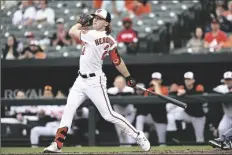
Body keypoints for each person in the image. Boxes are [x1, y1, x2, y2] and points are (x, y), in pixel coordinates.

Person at [44, 9, 150, 153]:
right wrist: (128, 77)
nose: (95, 20)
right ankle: (58, 144)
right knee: (69, 109)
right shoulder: (110, 39)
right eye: (95, 17)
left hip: (95, 81)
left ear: (106, 23)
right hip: (80, 80)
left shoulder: (93, 34)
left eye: (99, 18)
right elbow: (117, 61)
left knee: (108, 115)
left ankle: (138, 135)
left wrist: (79, 23)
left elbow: (71, 31)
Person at [136, 72, 168, 145]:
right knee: (140, 118)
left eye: (157, 79)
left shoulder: (164, 88)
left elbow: (160, 97)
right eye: (154, 79)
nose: (155, 81)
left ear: (160, 80)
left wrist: (156, 85)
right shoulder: (148, 90)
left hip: (160, 118)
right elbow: (145, 103)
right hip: (150, 116)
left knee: (162, 142)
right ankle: (140, 138)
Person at [174, 72, 206, 142]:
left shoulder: (199, 86)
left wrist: (185, 93)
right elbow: (176, 92)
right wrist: (178, 92)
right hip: (187, 114)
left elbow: (198, 94)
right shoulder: (182, 87)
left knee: (200, 139)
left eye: (189, 79)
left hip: (198, 116)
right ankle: (179, 136)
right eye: (186, 79)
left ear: (193, 80)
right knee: (176, 114)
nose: (187, 81)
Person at [107, 75, 136, 145]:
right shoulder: (111, 90)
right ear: (114, 83)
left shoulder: (129, 89)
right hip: (118, 115)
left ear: (124, 83)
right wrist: (118, 95)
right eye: (117, 82)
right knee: (120, 133)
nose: (119, 84)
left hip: (129, 114)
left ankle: (129, 146)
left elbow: (125, 102)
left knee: (126, 130)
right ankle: (122, 147)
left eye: (121, 82)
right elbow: (109, 95)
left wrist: (117, 95)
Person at [212, 71, 232, 146]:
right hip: (227, 115)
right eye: (226, 80)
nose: (228, 81)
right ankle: (223, 146)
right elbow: (213, 91)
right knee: (222, 129)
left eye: (230, 79)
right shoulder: (221, 88)